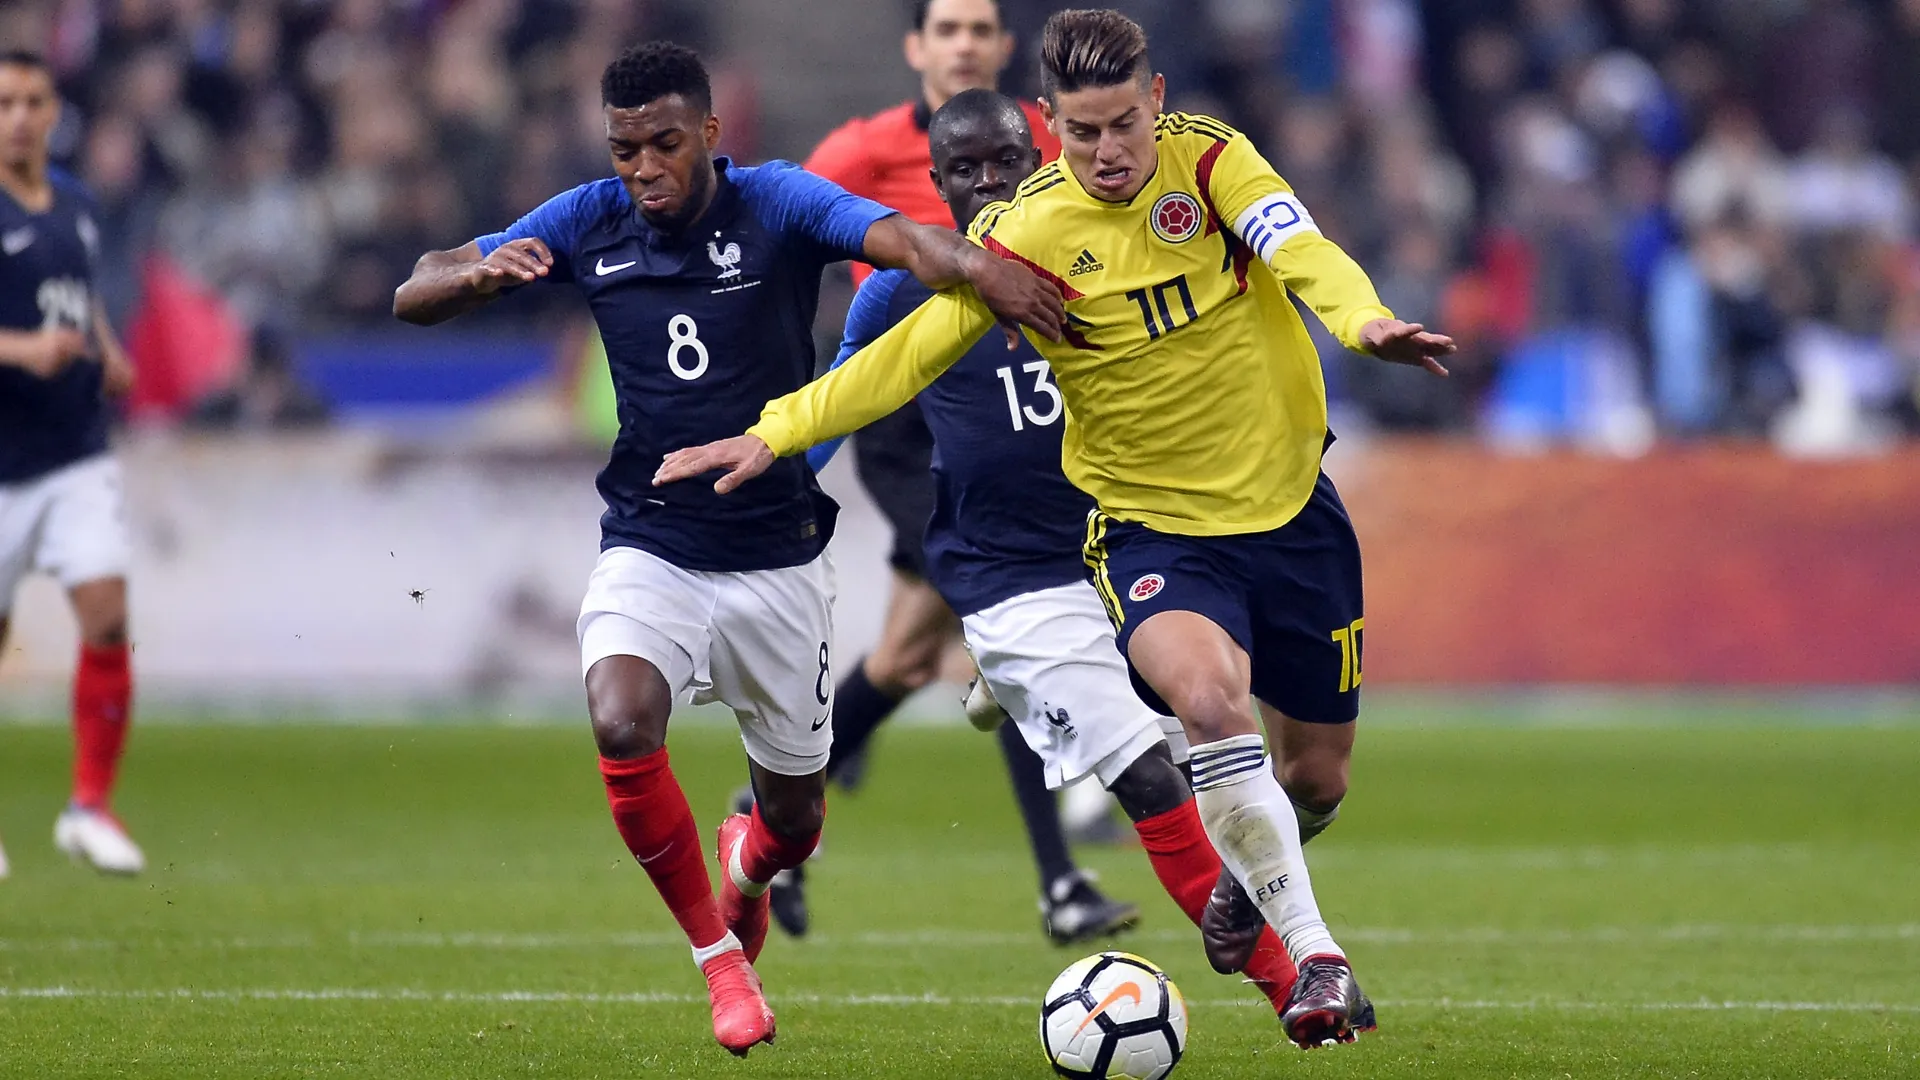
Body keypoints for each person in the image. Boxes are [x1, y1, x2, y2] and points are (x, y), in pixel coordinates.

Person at [654, 10, 1455, 1049]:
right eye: (1083, 133)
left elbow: (1299, 250)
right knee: (1209, 708)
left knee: (1315, 781)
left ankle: (1251, 877)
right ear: (1053, 124)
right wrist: (773, 434)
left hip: (1293, 516)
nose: (1107, 152)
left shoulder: (1214, 164)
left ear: (1155, 100)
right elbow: (900, 359)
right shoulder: (1021, 236)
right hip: (1148, 532)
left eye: (1123, 125)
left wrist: (1362, 321)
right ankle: (1314, 960)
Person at [391, 42, 1061, 1057]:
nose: (644, 169)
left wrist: (983, 269)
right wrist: (473, 277)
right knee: (621, 721)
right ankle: (720, 961)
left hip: (778, 557)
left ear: (710, 133)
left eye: (664, 144)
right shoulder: (586, 219)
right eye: (625, 150)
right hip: (651, 541)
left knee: (795, 820)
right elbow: (417, 287)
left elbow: (899, 239)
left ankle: (749, 866)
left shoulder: (779, 202)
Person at [811, 85, 1316, 1020]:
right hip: (1009, 582)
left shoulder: (1095, 255)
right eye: (965, 170)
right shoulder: (901, 290)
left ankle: (768, 835)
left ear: (1038, 159)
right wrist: (783, 480)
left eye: (1007, 162)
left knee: (1224, 760)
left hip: (1120, 552)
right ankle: (1297, 990)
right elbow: (842, 396)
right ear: (938, 184)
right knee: (1148, 777)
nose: (989, 182)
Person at [753, 0, 1130, 947]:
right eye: (947, 28)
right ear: (916, 47)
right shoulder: (863, 148)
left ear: (1003, 48)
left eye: (979, 28)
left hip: (1016, 396)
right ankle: (1061, 880)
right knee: (1006, 619)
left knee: (909, 656)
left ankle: (768, 812)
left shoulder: (1046, 138)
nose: (964, 43)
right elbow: (787, 227)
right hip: (907, 409)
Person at [0, 50, 143, 880]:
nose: (19, 117)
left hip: (74, 450)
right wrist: (24, 350)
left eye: (32, 101)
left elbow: (82, 300)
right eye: (4, 103)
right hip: (3, 459)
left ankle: (89, 805)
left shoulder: (78, 205)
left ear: (54, 112)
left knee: (107, 613)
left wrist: (107, 351)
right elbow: (32, 333)